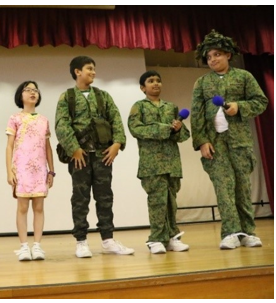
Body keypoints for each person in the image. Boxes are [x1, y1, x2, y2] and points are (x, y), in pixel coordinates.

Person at [190, 30, 268, 249]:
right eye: (209, 57)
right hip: (215, 144)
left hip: (239, 142)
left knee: (242, 187)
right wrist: (202, 141)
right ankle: (230, 233)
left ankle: (248, 232)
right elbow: (196, 115)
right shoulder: (202, 83)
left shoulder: (244, 77)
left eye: (217, 54)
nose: (213, 60)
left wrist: (239, 107)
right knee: (223, 188)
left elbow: (260, 102)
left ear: (228, 55)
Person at [55, 55, 134, 258]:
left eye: (94, 69)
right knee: (80, 199)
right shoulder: (67, 97)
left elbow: (115, 118)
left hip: (102, 155)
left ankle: (108, 240)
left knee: (105, 197)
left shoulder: (103, 96)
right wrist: (73, 148)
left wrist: (117, 144)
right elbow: (61, 125)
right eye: (89, 68)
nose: (93, 72)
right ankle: (81, 241)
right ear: (77, 71)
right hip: (79, 156)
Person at [128, 71, 192, 254]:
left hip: (172, 163)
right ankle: (156, 239)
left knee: (171, 201)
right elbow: (136, 129)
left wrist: (178, 129)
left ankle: (172, 237)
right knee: (157, 202)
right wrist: (165, 129)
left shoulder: (171, 107)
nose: (155, 84)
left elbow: (184, 135)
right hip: (152, 164)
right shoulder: (138, 107)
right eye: (150, 81)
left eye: (158, 80)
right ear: (142, 87)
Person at [5, 81, 54, 261]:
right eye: (28, 90)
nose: (32, 93)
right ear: (21, 95)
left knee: (39, 207)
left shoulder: (44, 120)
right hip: (22, 169)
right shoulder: (15, 118)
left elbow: (48, 147)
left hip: (40, 169)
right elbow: (9, 146)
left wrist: (52, 171)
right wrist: (9, 171)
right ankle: (24, 246)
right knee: (22, 207)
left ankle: (38, 245)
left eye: (35, 90)